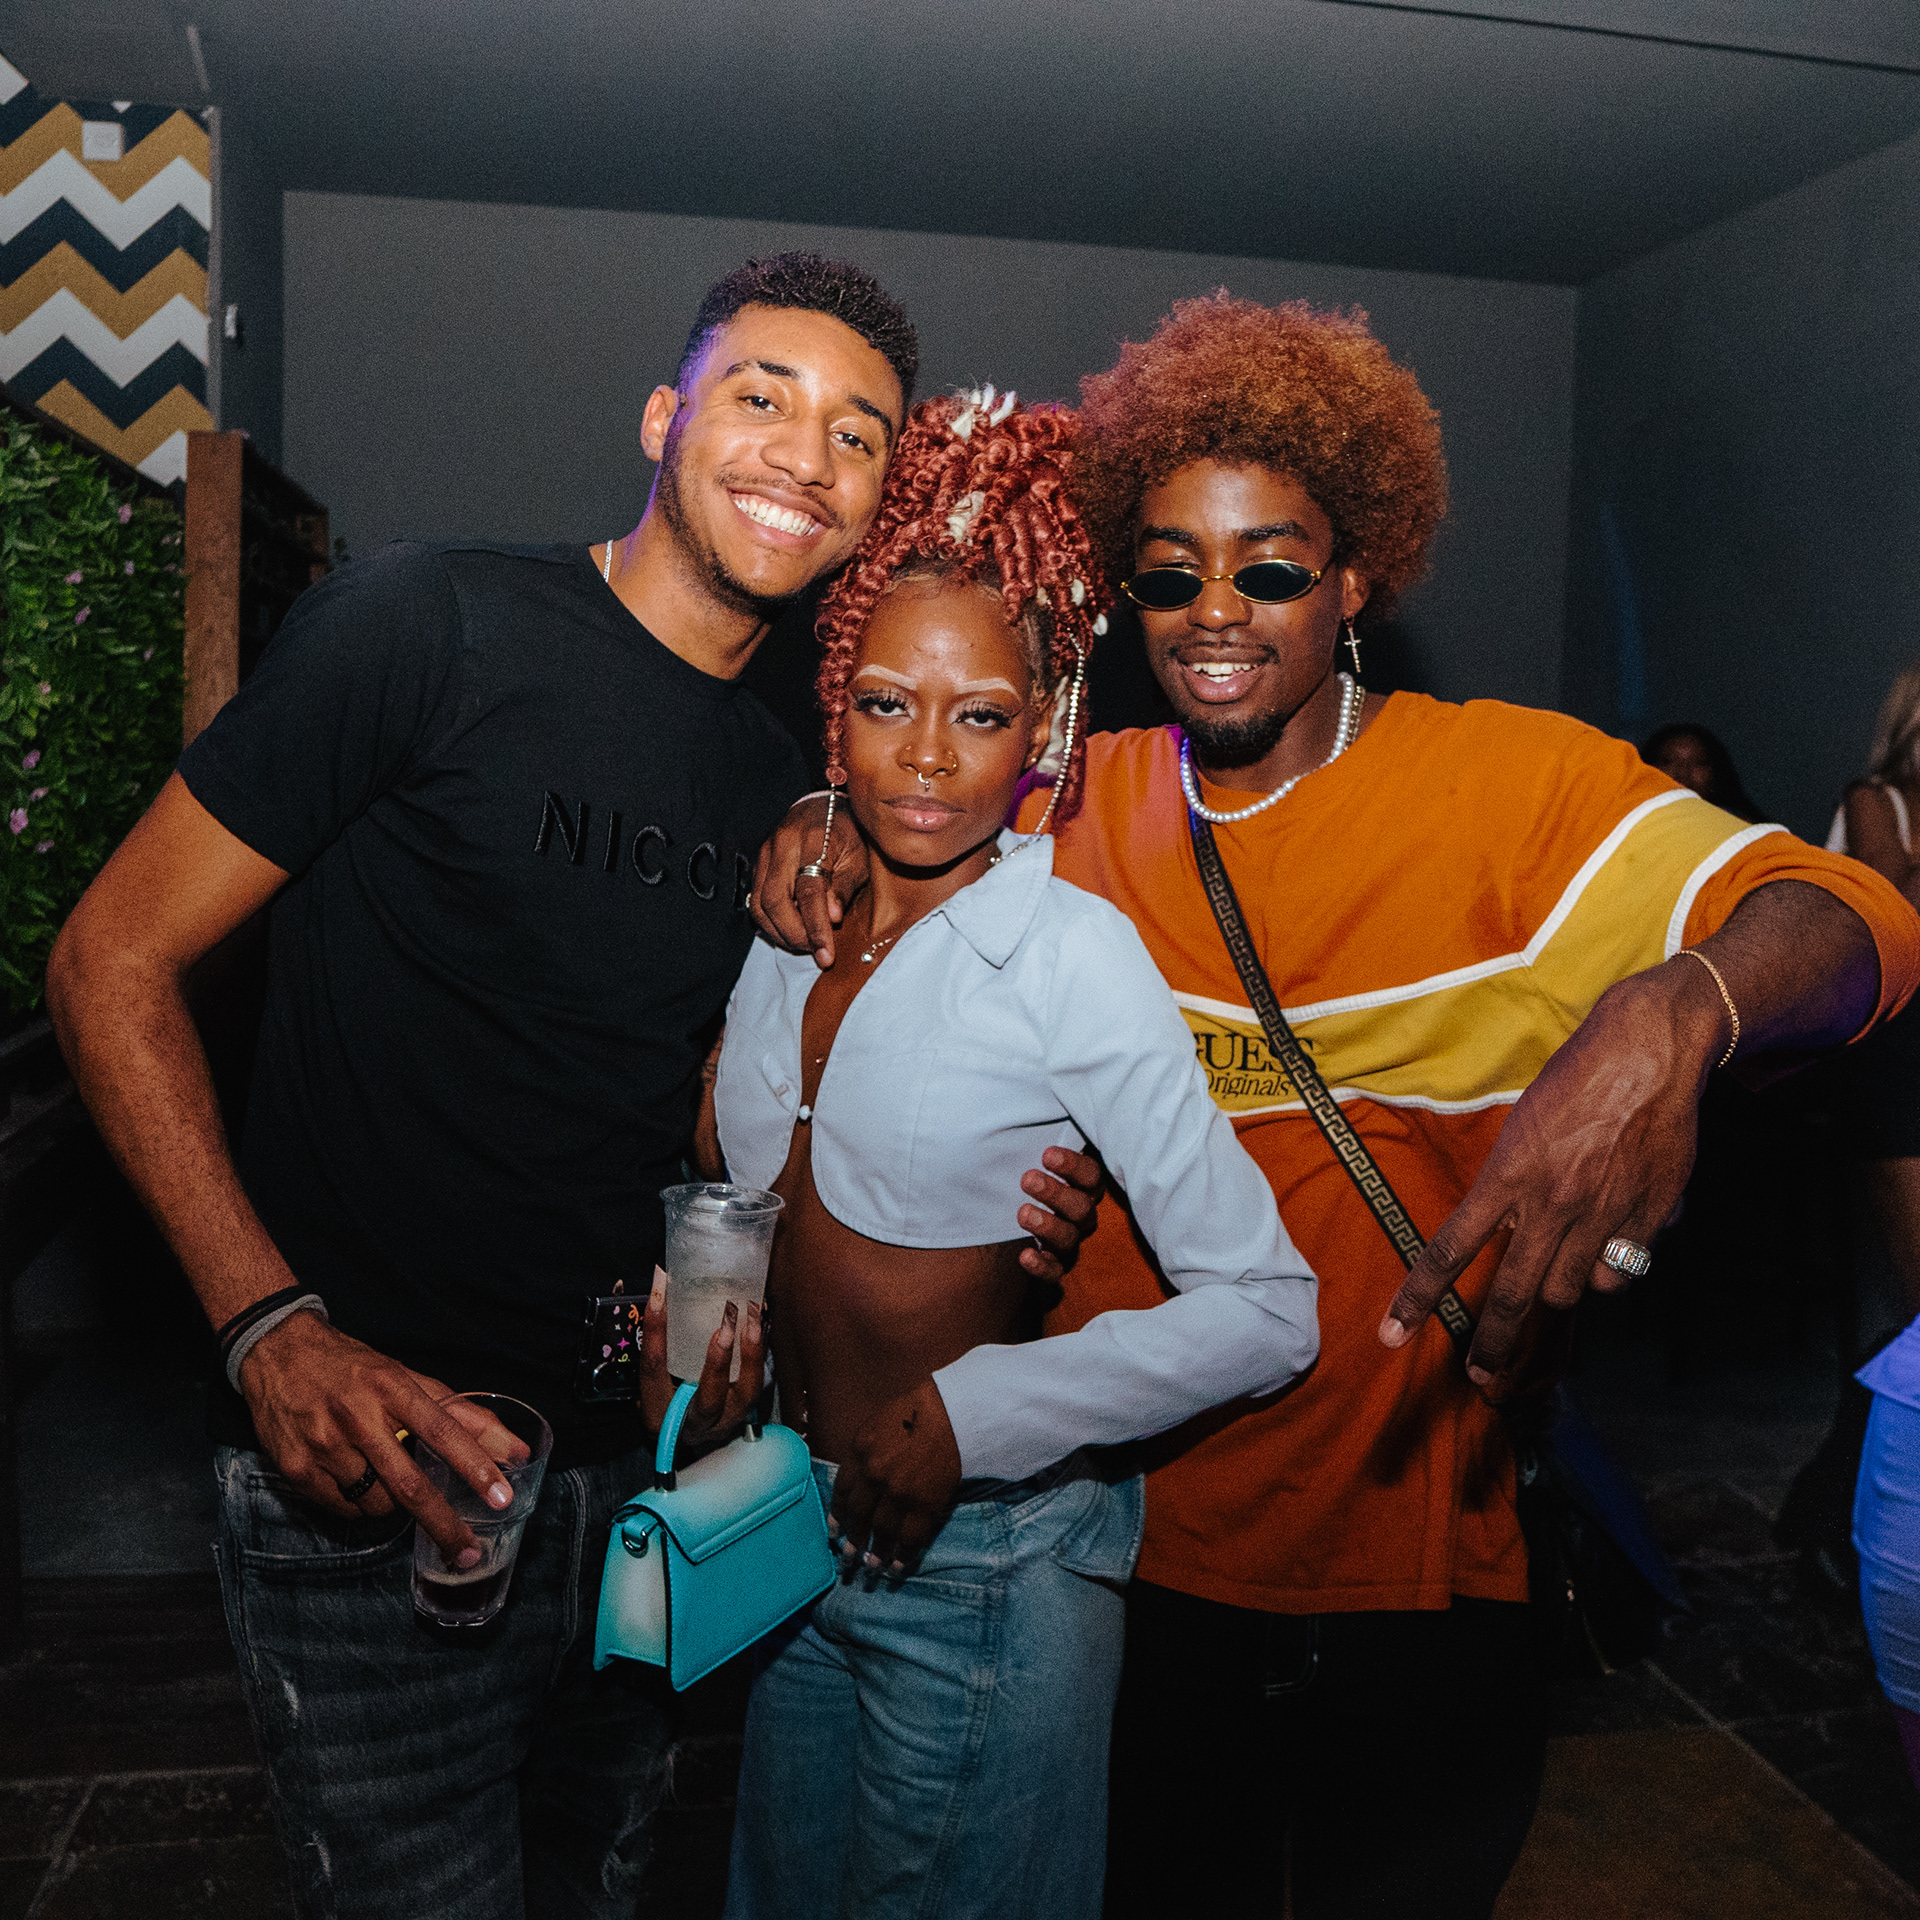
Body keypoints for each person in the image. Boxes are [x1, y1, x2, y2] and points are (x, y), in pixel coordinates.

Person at [753, 293, 1920, 1919]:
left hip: (1419, 1581)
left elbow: (1860, 921)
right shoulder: (1073, 803)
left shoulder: (1510, 791)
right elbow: (908, 793)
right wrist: (818, 819)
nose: (1215, 613)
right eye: (1171, 572)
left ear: (1357, 576)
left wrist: (1676, 1015)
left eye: (1272, 568)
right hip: (1130, 1568)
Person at [43, 255, 1101, 1920]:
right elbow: (109, 961)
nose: (804, 455)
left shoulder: (801, 767)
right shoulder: (427, 625)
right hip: (385, 1471)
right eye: (761, 397)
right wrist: (268, 1330)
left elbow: (704, 1088)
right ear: (665, 418)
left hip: (651, 1474)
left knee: (601, 1889)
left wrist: (972, 1186)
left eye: (856, 435)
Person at [706, 390, 1317, 1920]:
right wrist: (696, 1345)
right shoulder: (792, 915)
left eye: (979, 715)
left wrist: (980, 1416)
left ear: (1044, 729)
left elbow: (1268, 1306)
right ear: (833, 707)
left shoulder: (1071, 955)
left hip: (980, 1563)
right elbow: (737, 1174)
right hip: (781, 1530)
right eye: (884, 705)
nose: (925, 759)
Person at [1640, 720, 1764, 821]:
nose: (1682, 774)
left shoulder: (1740, 829)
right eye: (1667, 762)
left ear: (1716, 772)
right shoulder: (1635, 822)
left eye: (1699, 763)